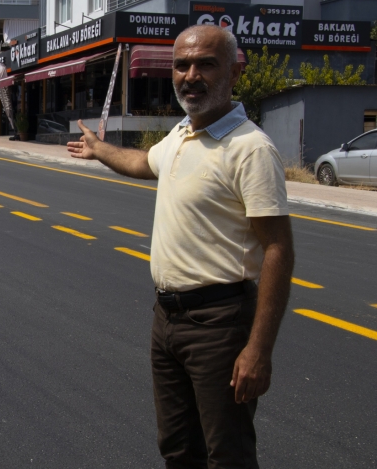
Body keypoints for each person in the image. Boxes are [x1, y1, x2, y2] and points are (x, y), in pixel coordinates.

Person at [67, 24, 294, 468]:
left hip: (220, 324)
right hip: (167, 319)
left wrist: (258, 350)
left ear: (235, 71)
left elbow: (278, 250)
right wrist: (99, 149)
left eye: (205, 64)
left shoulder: (250, 149)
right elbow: (140, 162)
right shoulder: (181, 135)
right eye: (181, 65)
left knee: (227, 454)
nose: (191, 75)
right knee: (177, 447)